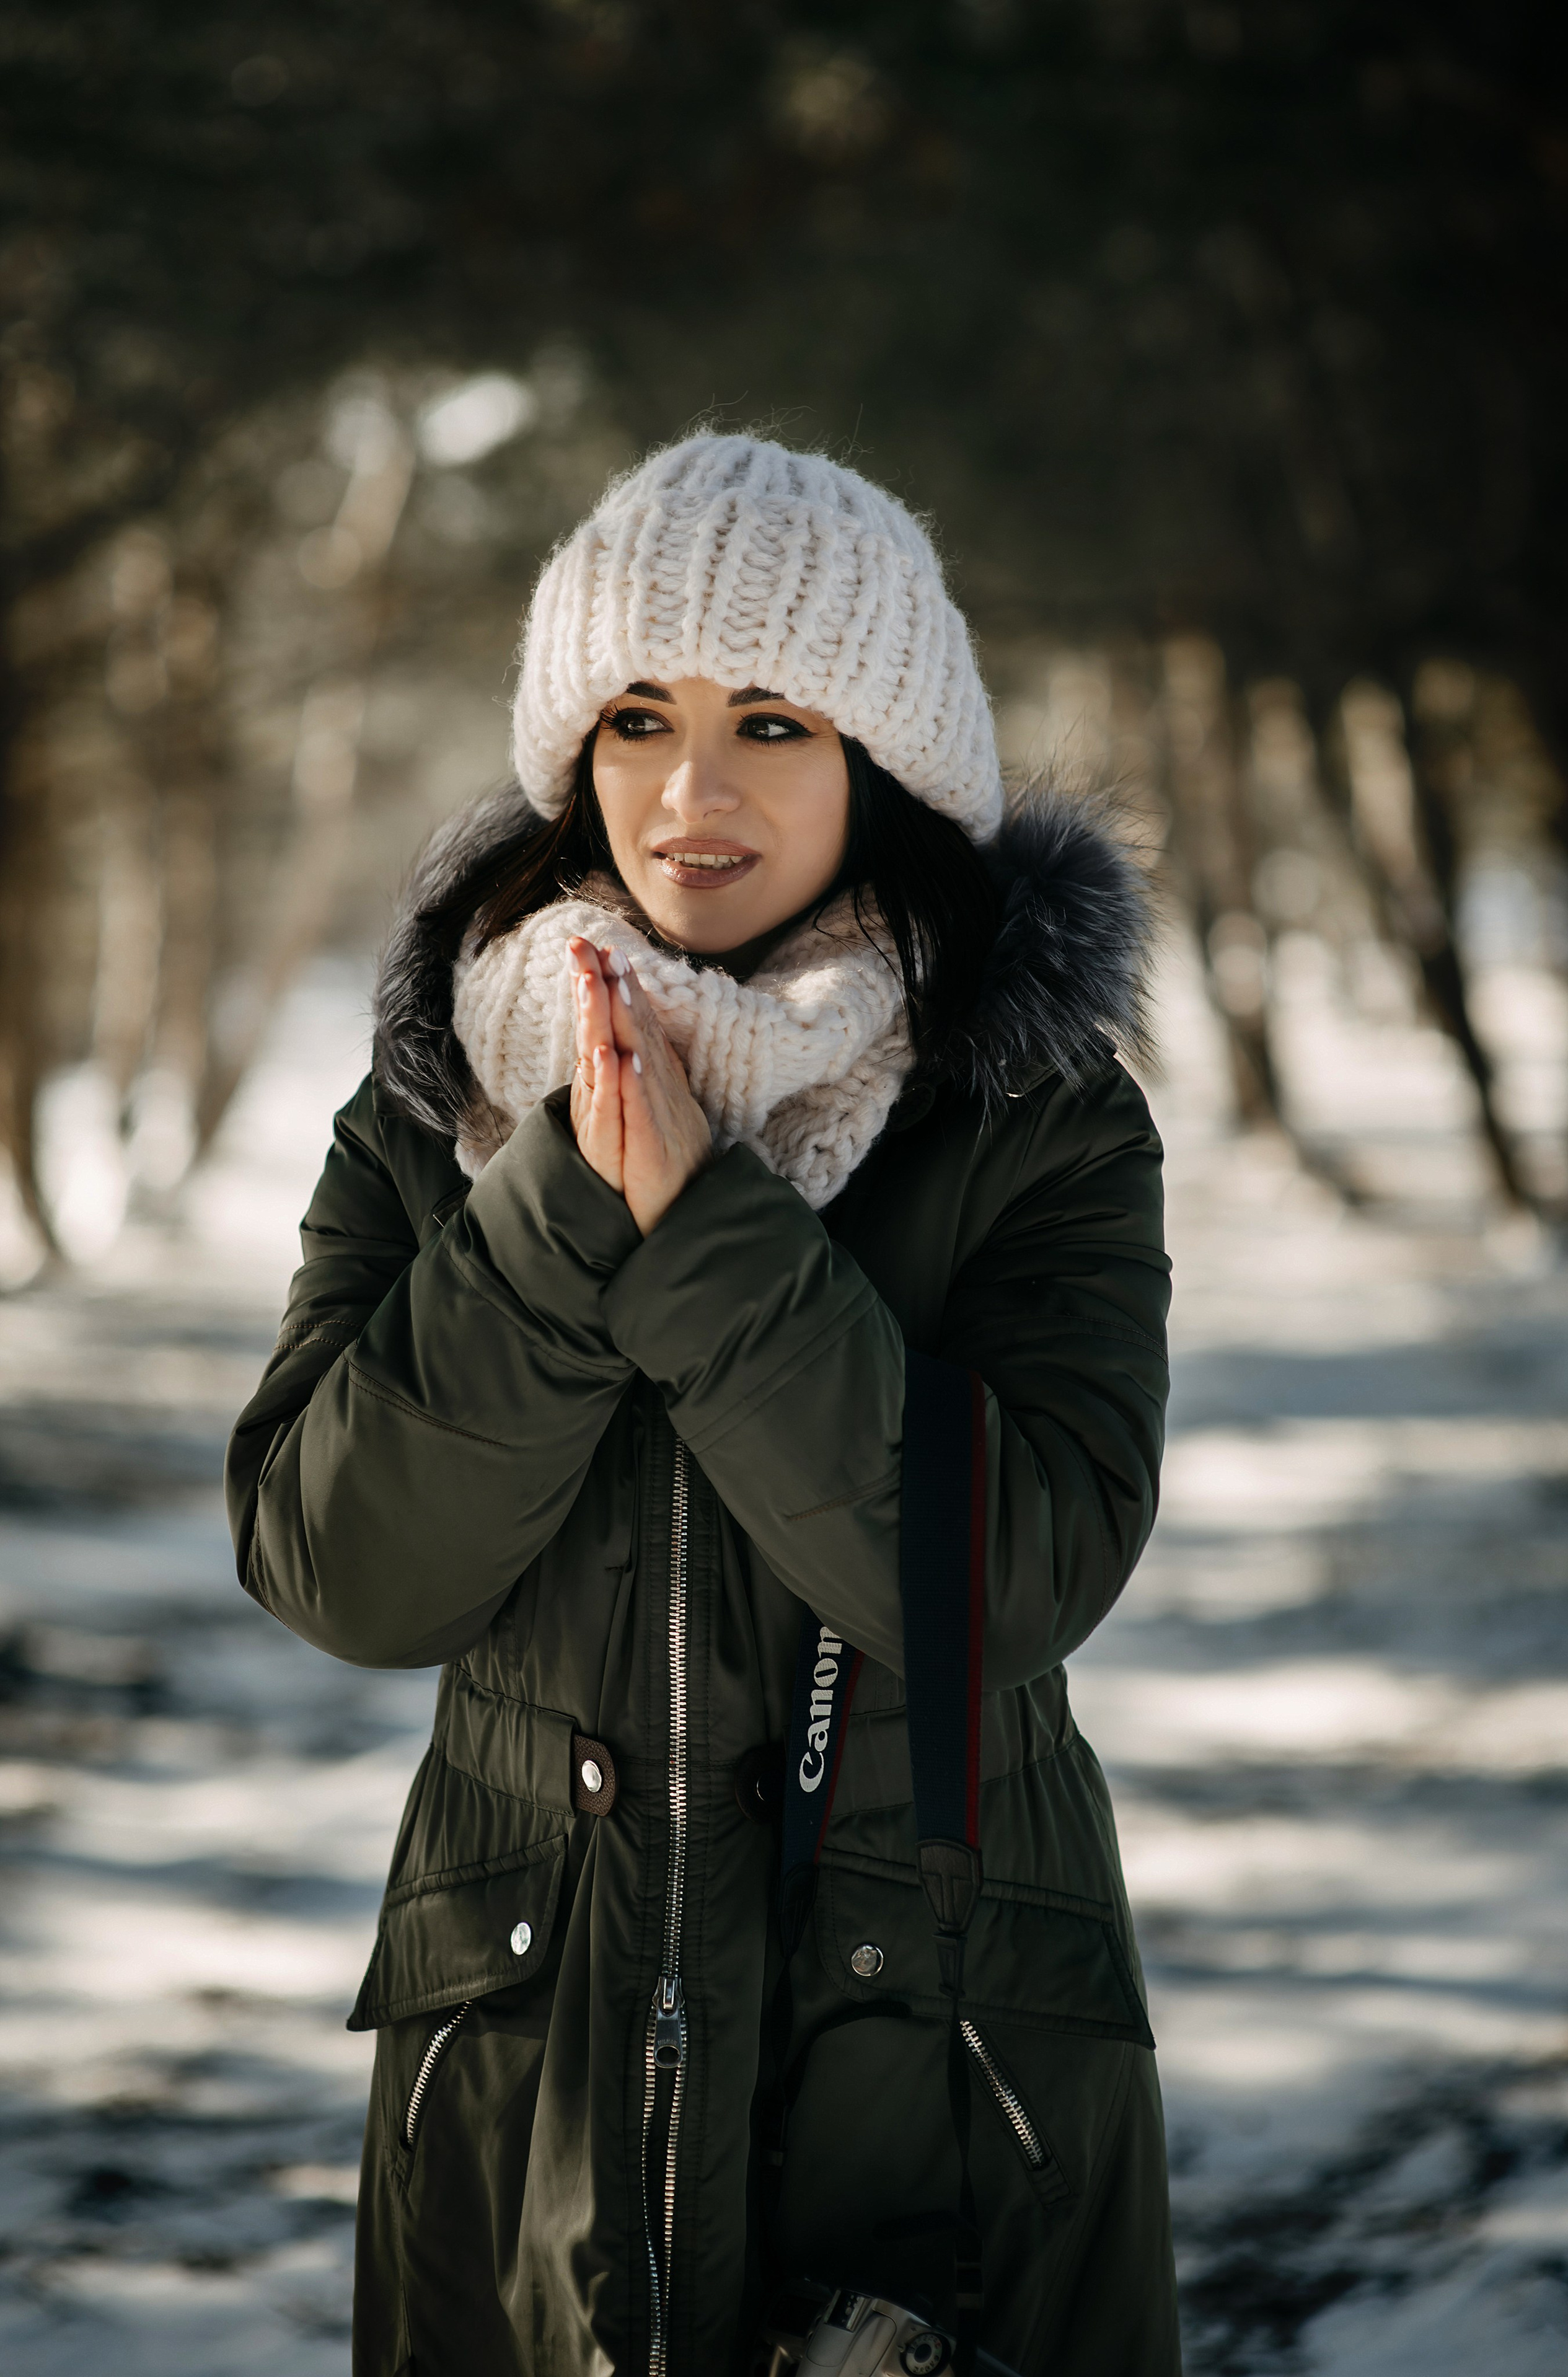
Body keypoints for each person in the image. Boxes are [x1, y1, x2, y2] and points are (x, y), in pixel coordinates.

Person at [226, 433, 1179, 2376]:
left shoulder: (1035, 1116)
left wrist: (703, 1225)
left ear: (884, 760)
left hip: (936, 2065)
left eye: (770, 717)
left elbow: (1001, 1577)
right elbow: (343, 1566)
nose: (691, 786)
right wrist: (566, 1201)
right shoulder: (441, 1102)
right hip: (527, 2069)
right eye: (638, 714)